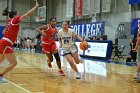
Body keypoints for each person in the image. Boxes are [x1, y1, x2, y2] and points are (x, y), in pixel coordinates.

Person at [0, 0, 39, 83]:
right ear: (15, 15)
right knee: (14, 63)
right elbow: (27, 14)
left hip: (3, 42)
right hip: (6, 43)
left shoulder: (8, 22)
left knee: (1, 60)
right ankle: (0, 76)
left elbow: (3, 32)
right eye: (17, 14)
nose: (18, 15)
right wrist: (35, 7)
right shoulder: (15, 20)